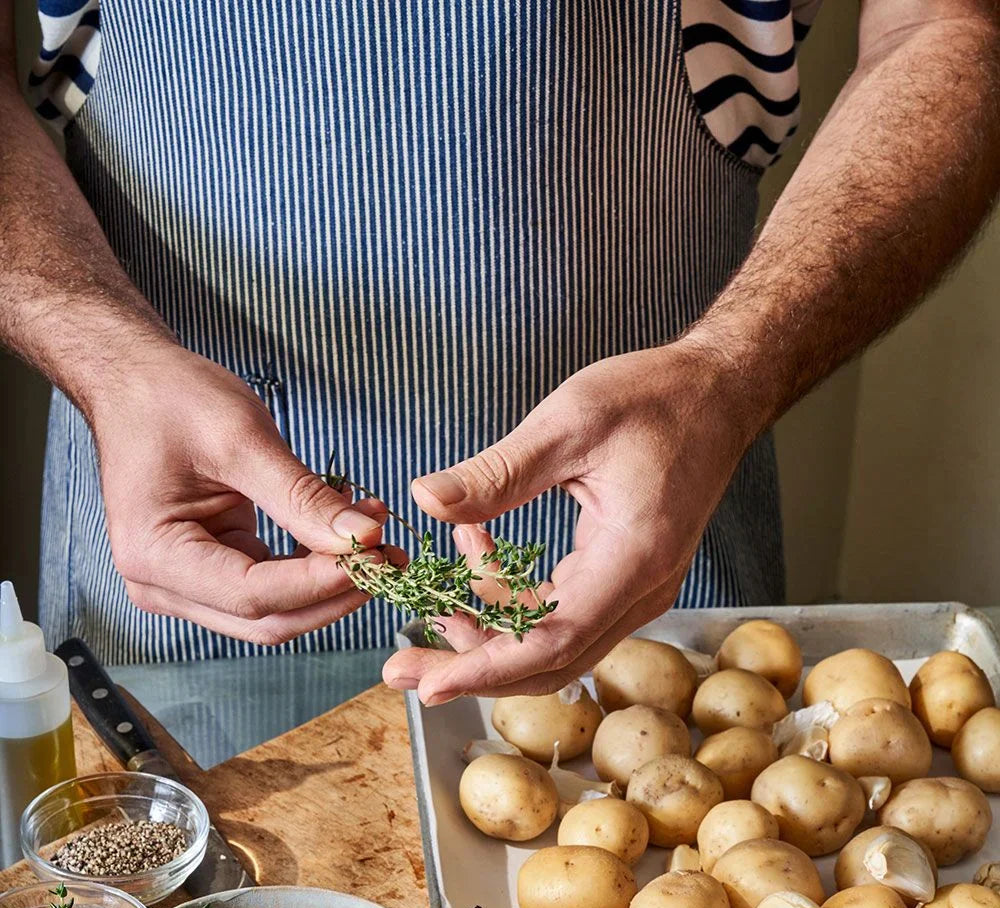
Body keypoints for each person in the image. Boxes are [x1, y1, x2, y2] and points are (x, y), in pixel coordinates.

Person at [1, 1, 998, 703]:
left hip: (650, 575)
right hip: (179, 576)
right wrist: (102, 354)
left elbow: (944, 27)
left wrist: (730, 372)